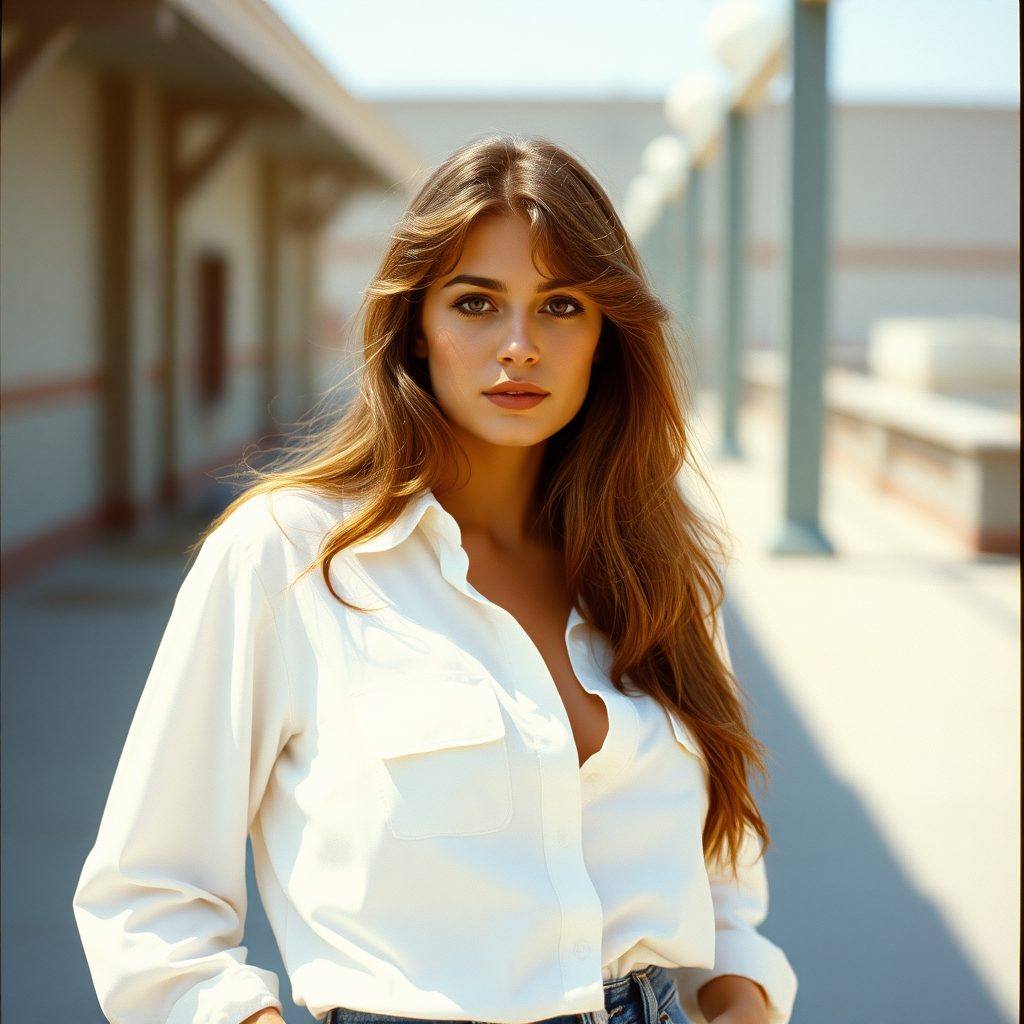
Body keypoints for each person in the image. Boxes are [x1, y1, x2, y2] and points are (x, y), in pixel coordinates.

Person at [74, 137, 796, 1024]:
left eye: (561, 304)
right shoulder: (290, 555)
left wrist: (743, 1002)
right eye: (477, 303)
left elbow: (718, 883)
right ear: (417, 323)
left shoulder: (662, 568)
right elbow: (147, 899)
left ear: (607, 334)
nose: (520, 346)